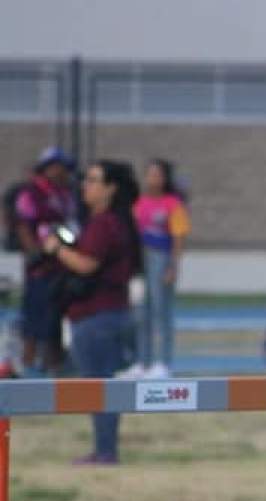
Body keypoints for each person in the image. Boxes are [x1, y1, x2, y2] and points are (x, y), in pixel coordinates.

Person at [42, 161, 140, 465]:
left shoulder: (104, 223)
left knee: (98, 387)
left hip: (97, 316)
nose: (86, 185)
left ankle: (106, 451)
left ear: (111, 188)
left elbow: (87, 264)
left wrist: (57, 249)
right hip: (107, 314)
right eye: (86, 179)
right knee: (102, 386)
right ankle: (105, 448)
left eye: (94, 180)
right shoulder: (114, 222)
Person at [12, 147, 79, 375]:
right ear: (47, 168)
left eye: (63, 168)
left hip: (61, 267)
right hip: (39, 270)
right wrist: (34, 253)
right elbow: (23, 225)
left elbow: (70, 226)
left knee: (55, 325)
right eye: (56, 167)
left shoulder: (66, 194)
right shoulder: (31, 193)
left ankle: (53, 369)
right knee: (33, 323)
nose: (61, 172)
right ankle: (26, 368)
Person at [122, 159, 191, 379]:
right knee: (141, 313)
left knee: (162, 312)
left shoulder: (172, 204)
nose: (153, 179)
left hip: (161, 259)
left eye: (157, 175)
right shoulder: (139, 203)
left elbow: (179, 236)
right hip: (141, 259)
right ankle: (142, 361)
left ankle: (164, 363)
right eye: (150, 174)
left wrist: (173, 265)